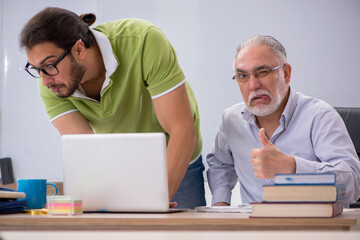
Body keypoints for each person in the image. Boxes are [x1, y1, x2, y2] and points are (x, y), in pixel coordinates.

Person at [19, 7, 206, 209]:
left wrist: (155, 202)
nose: (45, 80)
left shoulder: (143, 40)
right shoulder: (53, 84)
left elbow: (182, 130)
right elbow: (87, 154)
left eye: (49, 65)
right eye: (36, 69)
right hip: (121, 168)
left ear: (79, 49)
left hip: (174, 157)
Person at [207, 35, 360, 206]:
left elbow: (353, 182)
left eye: (262, 72)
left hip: (314, 228)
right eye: (243, 76)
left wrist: (292, 167)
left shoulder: (320, 116)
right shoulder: (231, 121)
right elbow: (220, 166)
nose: (253, 85)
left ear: (286, 74)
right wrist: (220, 204)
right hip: (255, 229)